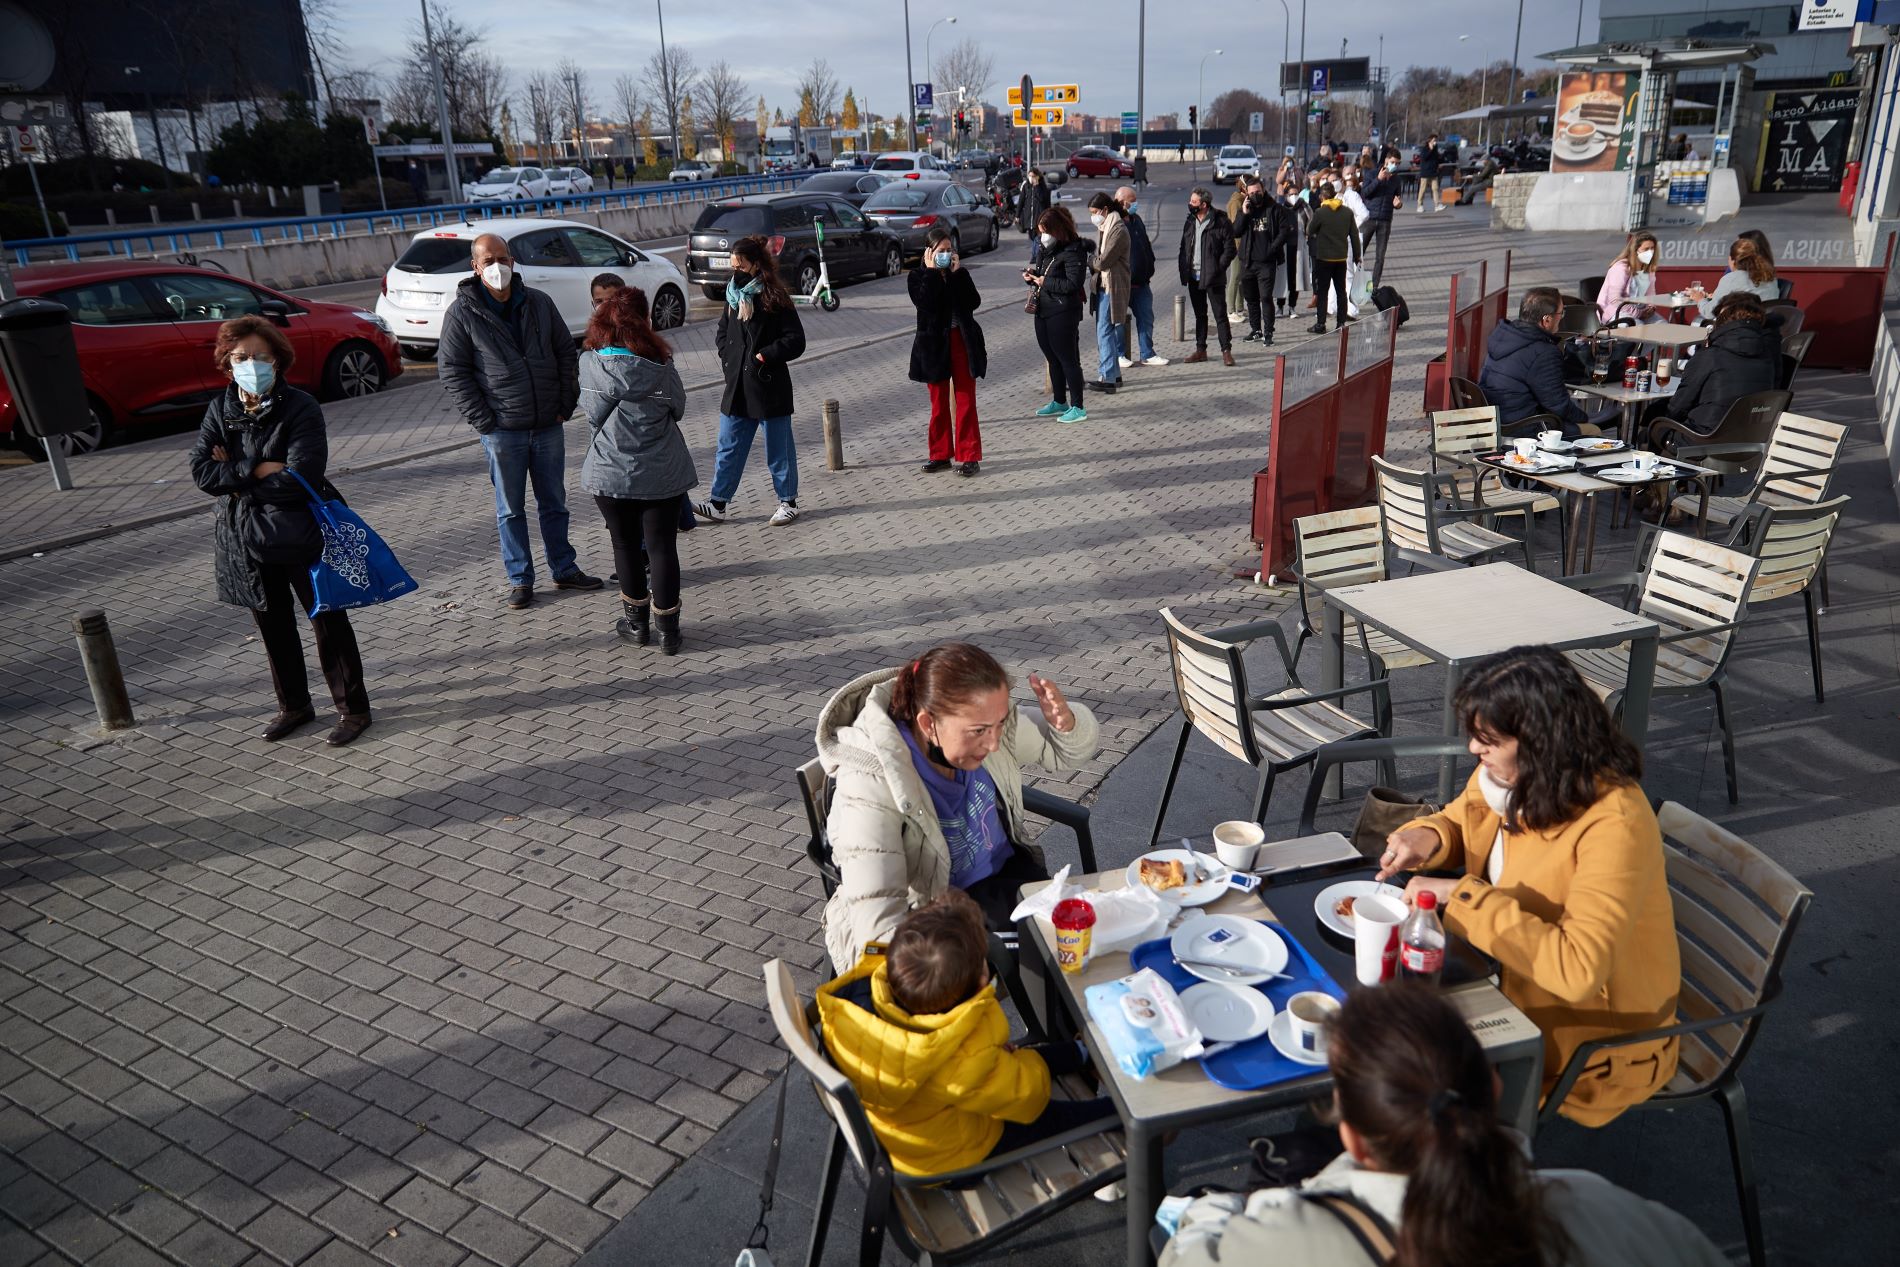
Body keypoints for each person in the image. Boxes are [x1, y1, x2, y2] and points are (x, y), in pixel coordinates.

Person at [1161, 983, 1729, 1267]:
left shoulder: (1284, 1240)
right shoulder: (1611, 1213)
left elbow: (1184, 1256)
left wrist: (1218, 1209)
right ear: (1496, 1089)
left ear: (1351, 1136)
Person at [1375, 646, 1681, 1127]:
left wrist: (1462, 898)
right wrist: (1430, 834)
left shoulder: (1614, 821)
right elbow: (1467, 817)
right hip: (1507, 978)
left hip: (1593, 1042)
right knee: (1372, 1039)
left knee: (1398, 1083)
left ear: (1541, 741)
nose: (1474, 750)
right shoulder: (1508, 776)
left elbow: (1577, 969)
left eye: (1488, 740)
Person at [815, 643, 1099, 969]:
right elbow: (876, 915)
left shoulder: (985, 725)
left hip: (1006, 879)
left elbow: (1064, 752)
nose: (993, 743)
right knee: (1061, 965)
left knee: (1083, 947)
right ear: (927, 724)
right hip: (933, 915)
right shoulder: (869, 783)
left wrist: (1066, 725)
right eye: (978, 731)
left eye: (1001, 723)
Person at [817, 890, 1113, 1177]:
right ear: (979, 982)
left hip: (910, 1131)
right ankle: (1116, 1112)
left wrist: (1000, 1060)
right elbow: (1028, 1096)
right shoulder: (965, 1052)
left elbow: (980, 1069)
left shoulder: (859, 996)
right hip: (954, 1160)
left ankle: (1081, 1052)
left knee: (1013, 1060)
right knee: (1048, 1115)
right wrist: (1010, 1063)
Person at [189, 317, 372, 747]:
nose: (251, 364)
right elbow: (202, 472)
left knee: (327, 621)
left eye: (260, 356)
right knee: (273, 626)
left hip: (301, 530)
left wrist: (232, 474)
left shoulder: (300, 406)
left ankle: (354, 709)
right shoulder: (221, 409)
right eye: (241, 358)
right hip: (246, 537)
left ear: (278, 360)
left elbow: (301, 474)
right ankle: (294, 706)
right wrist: (255, 467)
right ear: (227, 364)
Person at [438, 233, 601, 610]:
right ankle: (520, 579)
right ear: (475, 267)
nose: (498, 267)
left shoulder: (539, 303)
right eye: (489, 260)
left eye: (503, 258)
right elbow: (453, 371)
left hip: (547, 423)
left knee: (555, 503)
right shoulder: (462, 313)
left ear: (513, 261)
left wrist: (565, 401)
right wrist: (484, 420)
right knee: (510, 509)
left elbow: (565, 352)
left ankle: (564, 568)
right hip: (501, 431)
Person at [579, 286, 694, 655]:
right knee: (662, 548)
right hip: (662, 470)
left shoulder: (591, 364)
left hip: (610, 472)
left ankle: (636, 625)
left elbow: (593, 416)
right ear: (645, 321)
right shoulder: (661, 363)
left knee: (624, 545)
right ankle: (669, 633)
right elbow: (678, 408)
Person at [693, 235, 808, 526]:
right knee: (729, 445)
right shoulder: (733, 295)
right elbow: (723, 331)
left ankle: (788, 501)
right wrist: (727, 356)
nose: (736, 271)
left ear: (756, 265)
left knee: (778, 449)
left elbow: (796, 340)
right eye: (733, 265)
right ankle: (718, 503)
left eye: (741, 265)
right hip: (738, 386)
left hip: (768, 385)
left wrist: (764, 356)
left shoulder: (774, 296)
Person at [1479, 288, 1616, 438]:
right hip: (1524, 427)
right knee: (1593, 430)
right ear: (1546, 320)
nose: (1562, 318)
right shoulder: (1543, 352)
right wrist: (1587, 418)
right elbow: (1559, 405)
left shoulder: (1504, 336)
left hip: (1498, 420)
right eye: (1561, 313)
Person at [908, 225, 986, 476]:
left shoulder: (957, 273)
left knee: (965, 400)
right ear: (928, 252)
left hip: (961, 341)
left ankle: (969, 456)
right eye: (941, 250)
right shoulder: (917, 276)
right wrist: (932, 273)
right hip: (933, 346)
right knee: (938, 404)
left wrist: (958, 274)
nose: (946, 254)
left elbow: (973, 302)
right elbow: (926, 304)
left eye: (949, 250)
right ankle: (940, 454)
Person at [1650, 293, 1781, 439]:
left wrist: (1662, 418)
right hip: (1750, 438)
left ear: (1720, 325)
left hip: (1704, 439)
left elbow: (1680, 404)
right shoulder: (1768, 355)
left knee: (1653, 427)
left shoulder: (1710, 356)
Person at [1025, 206, 1092, 423]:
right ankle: (1059, 400)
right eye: (1040, 231)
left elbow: (1073, 283)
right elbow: (1043, 272)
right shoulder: (1046, 249)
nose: (1042, 236)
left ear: (1058, 229)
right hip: (1043, 309)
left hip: (1063, 311)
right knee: (1052, 358)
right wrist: (1032, 276)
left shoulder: (1074, 251)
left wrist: (1046, 282)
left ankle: (1078, 406)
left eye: (1046, 231)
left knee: (1067, 359)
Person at [1177, 187, 1236, 366]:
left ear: (1204, 204)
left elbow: (1230, 249)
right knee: (1200, 315)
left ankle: (1226, 351)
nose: (1190, 204)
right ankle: (1200, 350)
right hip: (1194, 276)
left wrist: (1219, 268)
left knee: (1220, 315)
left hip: (1213, 277)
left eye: (1194, 202)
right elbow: (1183, 246)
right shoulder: (1189, 220)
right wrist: (1183, 268)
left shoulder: (1220, 221)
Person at [1232, 176, 1292, 345]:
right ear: (1247, 194)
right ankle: (1256, 330)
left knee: (1265, 298)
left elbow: (1284, 231)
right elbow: (1235, 231)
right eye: (1252, 192)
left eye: (1258, 191)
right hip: (1247, 262)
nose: (1255, 194)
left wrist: (1272, 249)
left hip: (1266, 263)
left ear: (1263, 190)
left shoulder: (1274, 209)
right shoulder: (1246, 209)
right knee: (1251, 299)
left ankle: (1268, 332)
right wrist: (1244, 213)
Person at [1114, 185, 1169, 368]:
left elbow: (1145, 243)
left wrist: (1150, 264)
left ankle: (1147, 353)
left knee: (1146, 319)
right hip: (1122, 284)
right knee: (1118, 322)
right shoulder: (1114, 223)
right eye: (1133, 201)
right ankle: (1119, 355)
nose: (1136, 204)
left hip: (1142, 282)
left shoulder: (1136, 219)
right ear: (1122, 203)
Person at [1087, 192, 1131, 394]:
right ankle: (1114, 374)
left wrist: (1090, 261)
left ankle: (1108, 377)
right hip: (1105, 285)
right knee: (1106, 330)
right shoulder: (1106, 226)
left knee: (1104, 331)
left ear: (1105, 210)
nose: (1094, 217)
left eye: (1095, 212)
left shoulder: (1118, 229)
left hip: (1113, 285)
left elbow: (1103, 261)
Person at [1306, 181, 1360, 335]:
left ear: (1322, 196)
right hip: (1341, 258)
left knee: (1323, 292)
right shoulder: (1347, 212)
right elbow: (1354, 235)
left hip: (1324, 258)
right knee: (1341, 291)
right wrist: (1357, 256)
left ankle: (1321, 324)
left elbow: (1310, 230)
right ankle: (1341, 323)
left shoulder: (1320, 213)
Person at [1695, 235, 1779, 320]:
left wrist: (1700, 299)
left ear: (1733, 260)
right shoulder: (1771, 278)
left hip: (1740, 329)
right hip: (1767, 328)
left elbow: (1710, 312)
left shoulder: (1731, 279)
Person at [1595, 231, 1662, 325]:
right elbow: (1615, 300)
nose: (1650, 252)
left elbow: (1651, 293)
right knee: (1637, 326)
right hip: (1617, 312)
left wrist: (1651, 307)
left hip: (1641, 311)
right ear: (1635, 250)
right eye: (1646, 249)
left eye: (1652, 249)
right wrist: (1637, 313)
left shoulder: (1649, 270)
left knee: (1661, 324)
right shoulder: (1621, 268)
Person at [1359, 150, 1403, 290]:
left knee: (1380, 257)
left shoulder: (1396, 179)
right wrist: (1378, 179)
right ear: (1386, 161)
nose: (1394, 165)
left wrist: (1398, 205)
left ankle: (1373, 287)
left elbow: (1397, 198)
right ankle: (1354, 282)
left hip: (1385, 220)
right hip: (1369, 218)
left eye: (1397, 163)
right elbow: (1365, 193)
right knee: (1359, 253)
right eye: (1392, 162)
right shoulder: (1371, 173)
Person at [1224, 179, 1250, 324]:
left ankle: (1239, 308)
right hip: (1236, 246)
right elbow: (1236, 226)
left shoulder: (1241, 200)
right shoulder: (1236, 202)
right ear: (1244, 188)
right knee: (1235, 277)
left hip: (1240, 245)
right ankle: (1231, 310)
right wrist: (1239, 247)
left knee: (1240, 278)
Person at [1019, 167, 1052, 263]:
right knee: (1032, 237)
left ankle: (1035, 256)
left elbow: (1043, 199)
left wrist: (1037, 186)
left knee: (1038, 237)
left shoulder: (1042, 187)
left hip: (1039, 216)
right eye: (1029, 176)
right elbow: (1022, 200)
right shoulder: (1026, 186)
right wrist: (1017, 215)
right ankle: (1037, 255)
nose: (1031, 178)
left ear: (1037, 177)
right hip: (1029, 216)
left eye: (1033, 176)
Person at [1417, 134, 1444, 213]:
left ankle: (1437, 205)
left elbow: (1436, 158)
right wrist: (1430, 149)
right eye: (1434, 140)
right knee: (1423, 189)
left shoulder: (1435, 148)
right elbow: (1424, 157)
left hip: (1433, 172)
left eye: (1436, 140)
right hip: (1425, 172)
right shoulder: (1425, 149)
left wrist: (1439, 163)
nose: (1435, 142)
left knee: (1435, 188)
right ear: (1430, 140)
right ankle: (1419, 205)